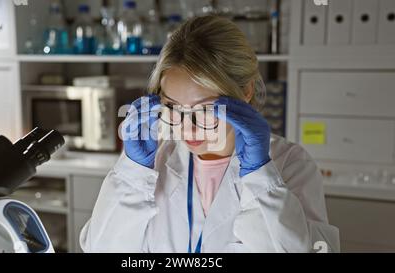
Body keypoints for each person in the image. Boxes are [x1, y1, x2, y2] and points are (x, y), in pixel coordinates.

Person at [80, 15, 339, 253]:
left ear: (246, 91)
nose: (187, 127)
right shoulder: (154, 162)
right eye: (173, 107)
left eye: (204, 110)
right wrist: (132, 173)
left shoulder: (291, 164)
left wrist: (260, 176)